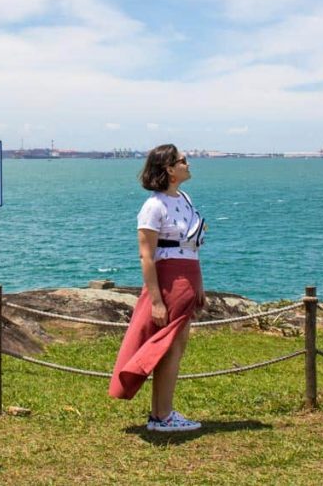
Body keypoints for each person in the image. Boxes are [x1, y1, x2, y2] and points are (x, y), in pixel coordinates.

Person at [109, 143, 207, 432]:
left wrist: (198, 282)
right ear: (169, 170)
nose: (188, 163)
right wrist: (155, 301)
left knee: (175, 347)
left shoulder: (185, 198)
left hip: (187, 276)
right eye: (182, 160)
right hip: (167, 280)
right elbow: (147, 255)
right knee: (169, 348)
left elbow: (191, 246)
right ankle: (163, 415)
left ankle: (160, 413)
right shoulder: (153, 206)